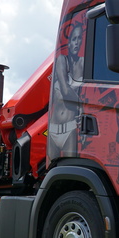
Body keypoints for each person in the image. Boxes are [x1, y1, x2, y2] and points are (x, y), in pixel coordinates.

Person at [49, 23, 84, 157]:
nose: (76, 42)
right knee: (52, 170)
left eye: (79, 38)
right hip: (52, 130)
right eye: (73, 39)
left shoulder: (84, 63)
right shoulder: (61, 60)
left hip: (70, 129)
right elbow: (64, 90)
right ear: (68, 43)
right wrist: (81, 105)